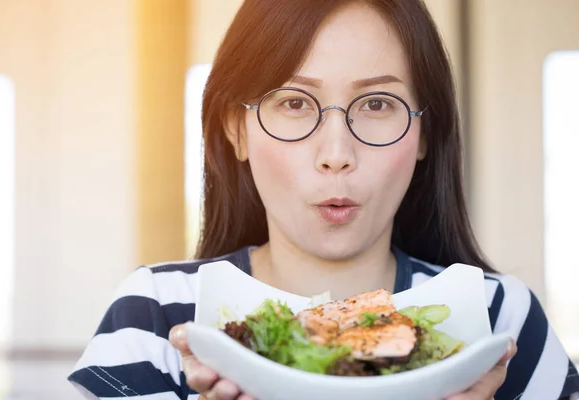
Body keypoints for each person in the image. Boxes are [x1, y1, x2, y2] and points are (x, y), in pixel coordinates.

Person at [68, 0, 579, 399]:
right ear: (236, 131)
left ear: (426, 134)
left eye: (377, 103)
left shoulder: (499, 320)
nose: (336, 154)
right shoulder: (158, 316)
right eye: (294, 103)